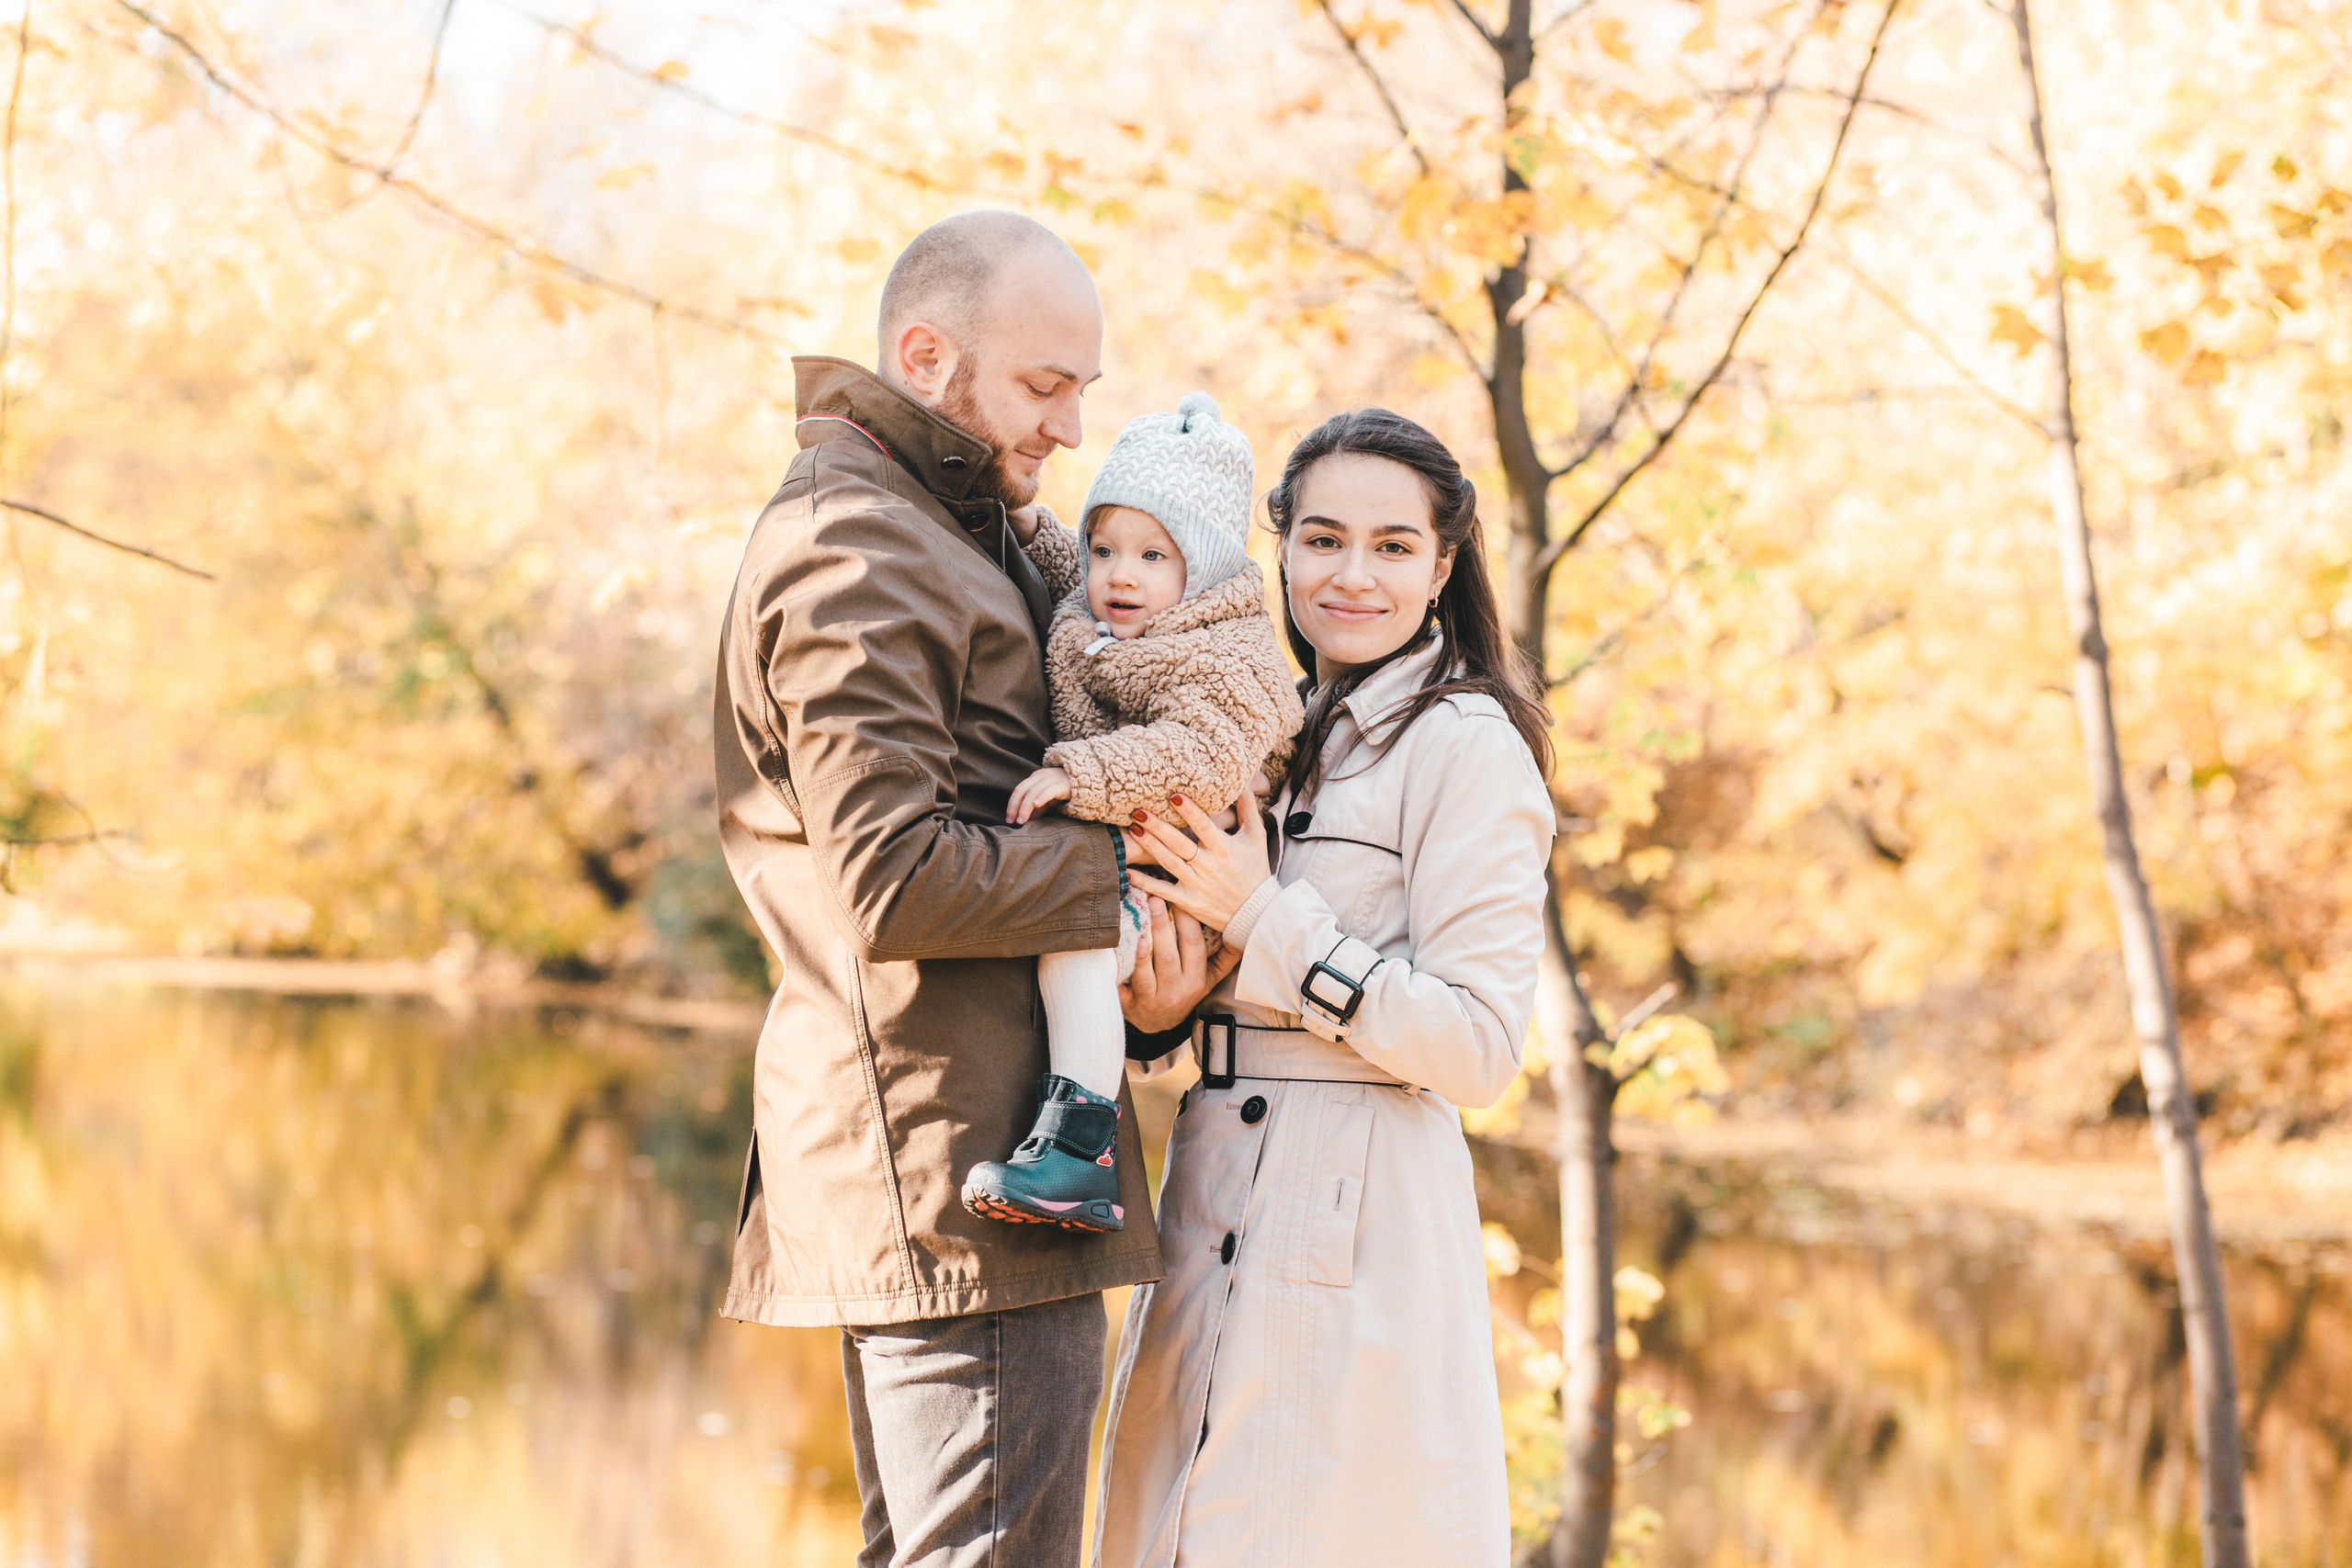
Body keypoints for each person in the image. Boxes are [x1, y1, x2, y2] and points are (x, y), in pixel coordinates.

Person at [710, 210, 1221, 1568]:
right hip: (960, 1169)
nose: (1066, 426)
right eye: (1043, 385)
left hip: (978, 1154)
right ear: (927, 354)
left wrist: (1140, 989)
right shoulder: (860, 548)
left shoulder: (958, 529)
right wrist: (1124, 869)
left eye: (1079, 391)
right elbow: (890, 878)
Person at [1094, 409, 1557, 1566]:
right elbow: (1215, 972)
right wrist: (1163, 1012)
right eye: (1322, 539)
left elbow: (1481, 1047)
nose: (1353, 575)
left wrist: (1266, 921)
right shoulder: (1264, 724)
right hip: (1211, 1189)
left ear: (1444, 566)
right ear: (1278, 551)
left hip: (1363, 1220)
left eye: (1395, 547)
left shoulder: (1467, 746)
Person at [960, 390, 1304, 1235]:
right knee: (1070, 941)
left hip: (1178, 869)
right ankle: (1070, 1143)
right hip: (1127, 850)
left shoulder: (1234, 656)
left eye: (1154, 554)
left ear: (1207, 568)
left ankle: (1081, 1151)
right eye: (1106, 545)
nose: (1121, 573)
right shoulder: (1120, 605)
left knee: (1078, 941)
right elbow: (1068, 571)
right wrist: (1029, 524)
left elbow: (1199, 752)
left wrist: (1082, 773)